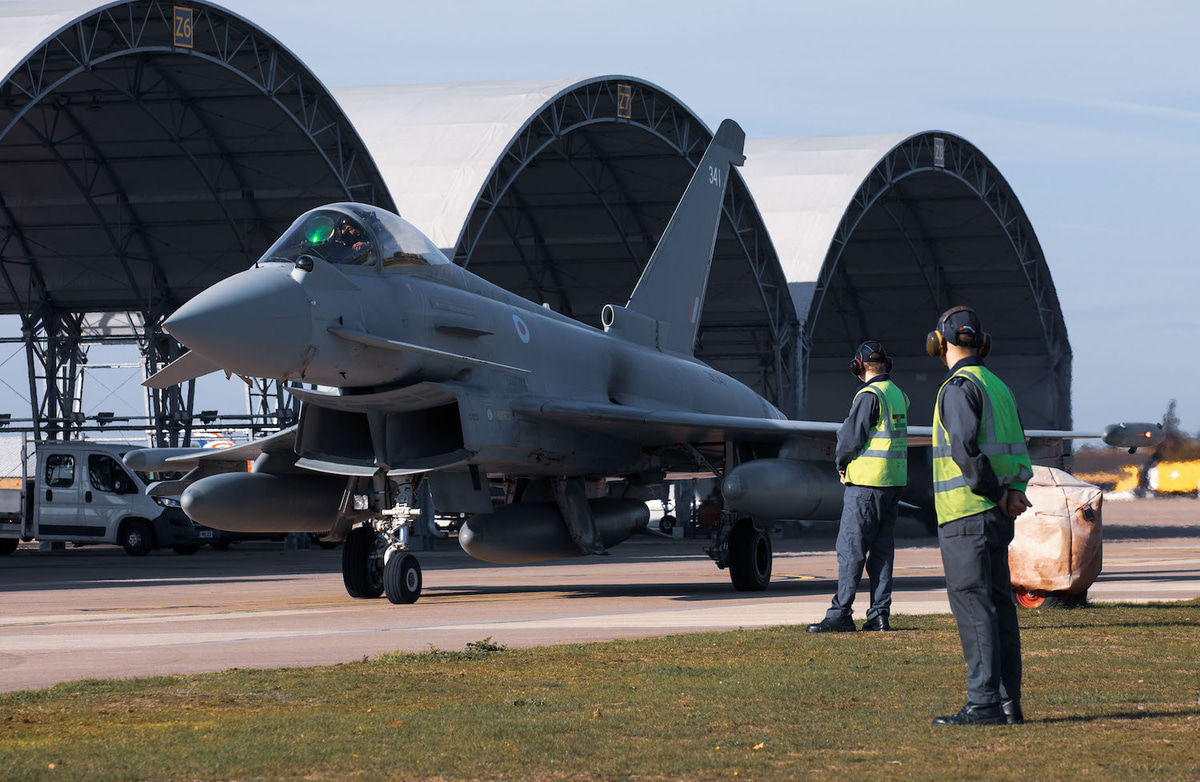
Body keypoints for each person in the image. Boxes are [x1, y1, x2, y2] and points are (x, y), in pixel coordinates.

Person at [925, 306, 1033, 726]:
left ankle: (983, 703)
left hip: (966, 515)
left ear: (938, 342)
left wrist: (993, 492)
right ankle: (1008, 703)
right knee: (999, 607)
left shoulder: (957, 387)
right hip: (996, 517)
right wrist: (1011, 493)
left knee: (974, 607)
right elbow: (1018, 451)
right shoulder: (998, 387)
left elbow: (965, 453)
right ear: (981, 343)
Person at [808, 341, 908, 633]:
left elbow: (850, 438)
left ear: (858, 366)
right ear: (887, 364)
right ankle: (879, 615)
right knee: (881, 552)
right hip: (893, 482)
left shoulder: (869, 395)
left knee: (851, 549)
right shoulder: (898, 395)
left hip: (866, 483)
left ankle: (840, 614)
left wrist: (841, 464)